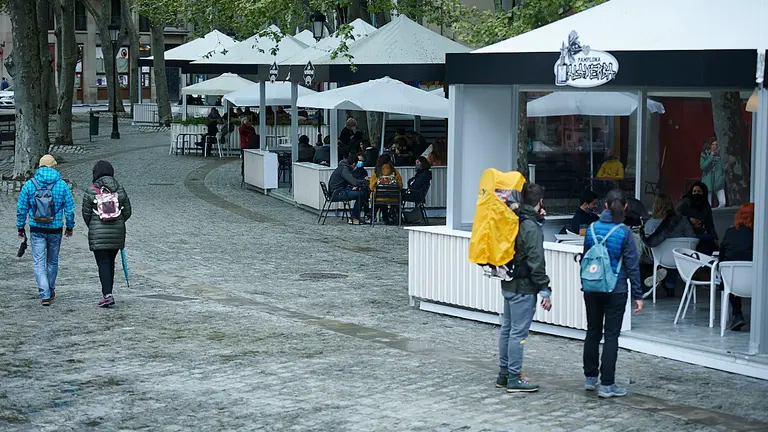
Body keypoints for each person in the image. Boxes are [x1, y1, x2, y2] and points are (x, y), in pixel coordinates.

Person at [582, 189, 642, 398]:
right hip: (616, 289)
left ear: (605, 205)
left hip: (592, 286)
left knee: (592, 331)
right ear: (625, 207)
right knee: (611, 336)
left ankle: (590, 378)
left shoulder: (591, 228)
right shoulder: (624, 232)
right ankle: (607, 384)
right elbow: (632, 266)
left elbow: (586, 258)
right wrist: (638, 295)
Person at [495, 183, 552, 393]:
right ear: (540, 202)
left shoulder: (515, 218)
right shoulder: (531, 226)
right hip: (523, 287)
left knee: (507, 329)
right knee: (518, 334)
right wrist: (544, 287)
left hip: (509, 282)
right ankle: (514, 377)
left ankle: (504, 374)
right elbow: (536, 260)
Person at [16, 155, 76, 306]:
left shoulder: (29, 185)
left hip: (36, 228)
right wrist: (69, 227)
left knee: (39, 262)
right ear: (53, 166)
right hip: (55, 229)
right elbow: (70, 209)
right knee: (52, 261)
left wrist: (20, 227)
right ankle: (50, 289)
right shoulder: (62, 185)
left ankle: (44, 293)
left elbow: (21, 208)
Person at [82, 161, 132, 308]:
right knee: (110, 262)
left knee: (103, 263)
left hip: (98, 234)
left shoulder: (91, 191)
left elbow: (86, 214)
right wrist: (118, 221)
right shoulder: (120, 189)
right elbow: (128, 211)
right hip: (117, 233)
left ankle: (107, 294)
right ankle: (108, 292)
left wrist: (94, 226)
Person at [642, 194, 695, 297]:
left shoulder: (651, 223)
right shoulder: (682, 220)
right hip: (680, 257)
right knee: (674, 255)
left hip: (659, 258)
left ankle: (652, 277)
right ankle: (670, 286)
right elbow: (692, 237)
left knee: (645, 255)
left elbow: (647, 242)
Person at [719, 203, 754, 331]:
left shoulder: (730, 232)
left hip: (732, 283)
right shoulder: (760, 235)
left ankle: (737, 314)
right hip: (756, 283)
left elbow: (722, 256)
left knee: (729, 274)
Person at [677, 181, 718, 255]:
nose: (696, 193)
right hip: (685, 236)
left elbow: (709, 224)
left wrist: (715, 238)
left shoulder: (706, 206)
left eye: (699, 191)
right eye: (694, 191)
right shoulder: (685, 203)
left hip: (700, 235)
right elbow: (674, 216)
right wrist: (689, 219)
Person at [328, 153, 369, 225]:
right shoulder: (345, 169)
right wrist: (364, 181)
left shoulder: (342, 167)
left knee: (361, 193)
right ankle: (355, 217)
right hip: (338, 193)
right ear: (353, 164)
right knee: (361, 194)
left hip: (336, 192)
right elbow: (354, 182)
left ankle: (356, 216)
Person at [368, 154, 404, 224]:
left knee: (379, 197)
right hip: (393, 198)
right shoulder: (395, 171)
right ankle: (388, 218)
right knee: (386, 197)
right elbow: (400, 185)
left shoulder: (377, 171)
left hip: (378, 197)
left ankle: (372, 217)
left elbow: (371, 186)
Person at [700, 137, 726, 208]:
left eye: (716, 144)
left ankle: (719, 214)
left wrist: (722, 177)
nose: (714, 146)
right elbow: (703, 167)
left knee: (723, 202)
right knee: (708, 204)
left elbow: (723, 167)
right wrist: (711, 157)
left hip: (718, 179)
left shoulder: (721, 155)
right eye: (713, 144)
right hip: (708, 180)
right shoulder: (704, 154)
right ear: (709, 145)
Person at [238, 117, 258, 181]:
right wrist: (244, 124)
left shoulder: (252, 128)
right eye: (248, 122)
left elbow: (254, 136)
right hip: (244, 146)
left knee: (252, 161)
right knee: (244, 161)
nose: (249, 123)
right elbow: (241, 131)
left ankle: (251, 175)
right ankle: (244, 175)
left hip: (252, 146)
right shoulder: (241, 128)